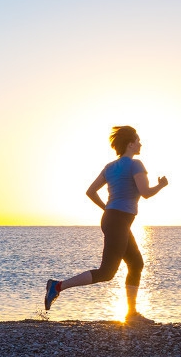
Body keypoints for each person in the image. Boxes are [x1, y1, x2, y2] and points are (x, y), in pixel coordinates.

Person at [44, 126, 168, 323]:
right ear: (130, 144)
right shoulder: (136, 164)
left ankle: (132, 314)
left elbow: (90, 191)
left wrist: (107, 209)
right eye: (137, 140)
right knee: (107, 272)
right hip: (119, 221)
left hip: (113, 219)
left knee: (136, 263)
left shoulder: (110, 167)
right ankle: (57, 286)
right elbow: (145, 193)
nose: (140, 144)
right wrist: (161, 185)